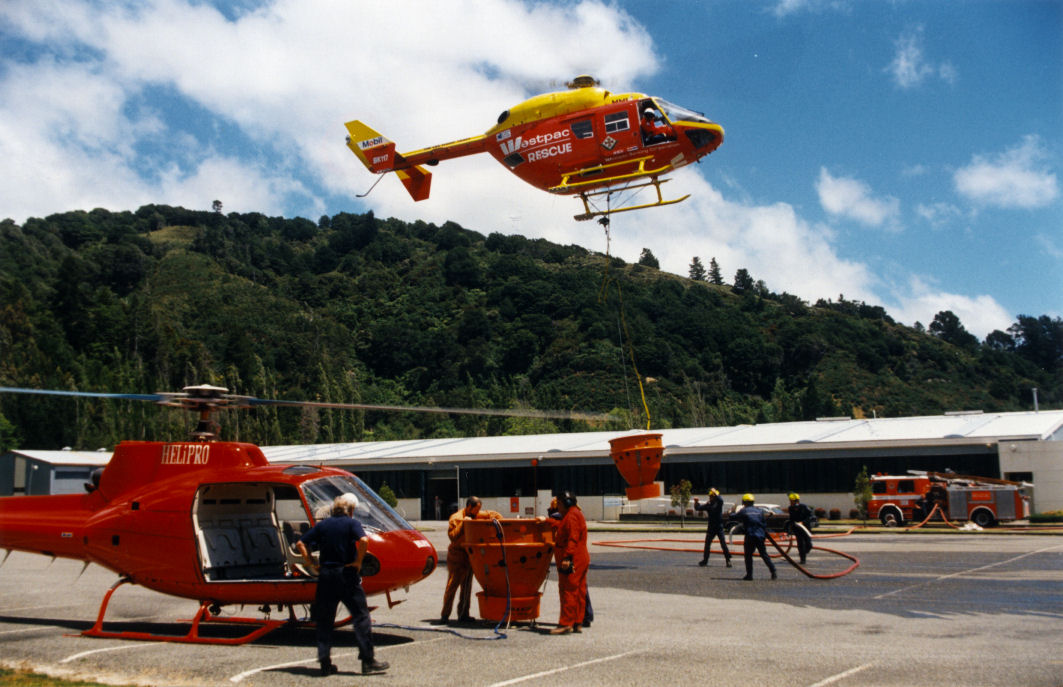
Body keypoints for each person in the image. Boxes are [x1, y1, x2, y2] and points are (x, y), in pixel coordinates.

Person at [296, 493, 389, 677]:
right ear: (351, 510)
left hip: (326, 576)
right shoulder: (352, 523)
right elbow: (363, 540)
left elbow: (300, 543)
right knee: (361, 616)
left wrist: (310, 563)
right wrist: (358, 562)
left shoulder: (322, 525)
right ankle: (367, 660)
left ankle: (324, 663)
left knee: (324, 620)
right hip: (346, 574)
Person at [440, 496, 501, 623]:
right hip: (457, 556)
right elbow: (452, 536)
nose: (478, 512)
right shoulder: (456, 518)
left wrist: (500, 520)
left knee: (467, 586)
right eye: (476, 509)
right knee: (452, 585)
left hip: (470, 555)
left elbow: (493, 514)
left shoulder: (476, 514)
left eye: (479, 509)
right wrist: (464, 523)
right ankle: (445, 615)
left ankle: (463, 614)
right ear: (469, 507)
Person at [548, 497, 593, 627]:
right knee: (579, 590)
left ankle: (566, 623)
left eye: (559, 505)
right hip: (580, 557)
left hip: (574, 558)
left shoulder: (572, 516)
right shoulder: (573, 514)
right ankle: (578, 622)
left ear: (565, 504)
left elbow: (573, 537)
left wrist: (567, 557)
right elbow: (563, 526)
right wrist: (547, 521)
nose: (558, 509)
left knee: (568, 590)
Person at [733, 493, 777, 581]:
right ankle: (773, 571)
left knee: (748, 556)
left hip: (750, 536)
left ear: (744, 502)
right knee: (764, 554)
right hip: (760, 535)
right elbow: (764, 524)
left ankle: (749, 575)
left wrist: (732, 511)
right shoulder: (760, 511)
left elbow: (733, 517)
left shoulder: (744, 511)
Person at [693, 488, 732, 568]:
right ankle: (705, 560)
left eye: (711, 496)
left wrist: (715, 492)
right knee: (707, 544)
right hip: (711, 527)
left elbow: (721, 499)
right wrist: (696, 502)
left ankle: (728, 560)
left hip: (719, 527)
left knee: (723, 544)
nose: (710, 498)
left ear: (714, 496)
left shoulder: (719, 503)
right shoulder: (709, 504)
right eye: (710, 496)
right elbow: (698, 508)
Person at [787, 492, 813, 564]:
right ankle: (802, 559)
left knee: (809, 544)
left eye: (791, 501)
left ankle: (804, 552)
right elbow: (791, 519)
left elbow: (810, 516)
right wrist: (790, 529)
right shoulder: (790, 508)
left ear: (796, 501)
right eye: (790, 501)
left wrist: (803, 522)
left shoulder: (804, 507)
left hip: (805, 528)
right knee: (800, 544)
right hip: (797, 529)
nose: (790, 502)